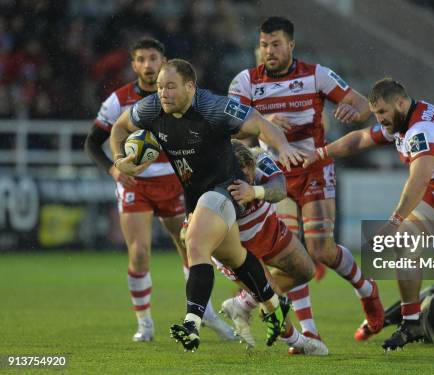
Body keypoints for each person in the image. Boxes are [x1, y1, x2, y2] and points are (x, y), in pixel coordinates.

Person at [109, 58, 304, 352]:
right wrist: (121, 162)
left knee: (195, 242)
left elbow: (260, 124)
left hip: (228, 189)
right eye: (160, 86)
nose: (163, 93)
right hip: (196, 196)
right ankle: (276, 309)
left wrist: (284, 146)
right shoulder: (152, 108)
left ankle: (192, 323)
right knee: (237, 258)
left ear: (190, 87)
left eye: (171, 87)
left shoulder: (214, 107)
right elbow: (119, 128)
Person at [304, 78, 434, 357]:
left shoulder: (421, 129)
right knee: (405, 241)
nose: (380, 119)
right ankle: (411, 322)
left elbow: (419, 179)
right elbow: (362, 138)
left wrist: (394, 220)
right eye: (376, 114)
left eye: (383, 113)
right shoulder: (403, 119)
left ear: (401, 102)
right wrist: (321, 153)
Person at [228, 16, 384, 340]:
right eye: (264, 45)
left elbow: (363, 104)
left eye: (276, 44)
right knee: (290, 254)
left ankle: (366, 289)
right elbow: (231, 126)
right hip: (274, 173)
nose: (269, 51)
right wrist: (263, 121)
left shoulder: (317, 76)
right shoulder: (245, 81)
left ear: (291, 45)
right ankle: (309, 332)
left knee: (321, 250)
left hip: (313, 167)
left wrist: (354, 112)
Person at [84, 37, 233, 342]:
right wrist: (115, 168)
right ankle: (145, 325)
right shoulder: (119, 100)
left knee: (191, 248)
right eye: (141, 59)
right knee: (139, 253)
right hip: (136, 184)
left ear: (164, 62)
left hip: (175, 180)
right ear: (134, 65)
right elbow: (91, 141)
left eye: (154, 58)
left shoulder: (182, 97)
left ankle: (203, 313)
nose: (149, 65)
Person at [205, 140, 328, 355]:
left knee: (306, 270)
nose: (248, 179)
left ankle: (242, 304)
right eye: (242, 178)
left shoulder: (259, 157)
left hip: (268, 230)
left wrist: (254, 190)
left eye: (250, 174)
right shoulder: (210, 180)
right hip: (238, 247)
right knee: (272, 299)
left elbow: (280, 188)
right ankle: (299, 342)